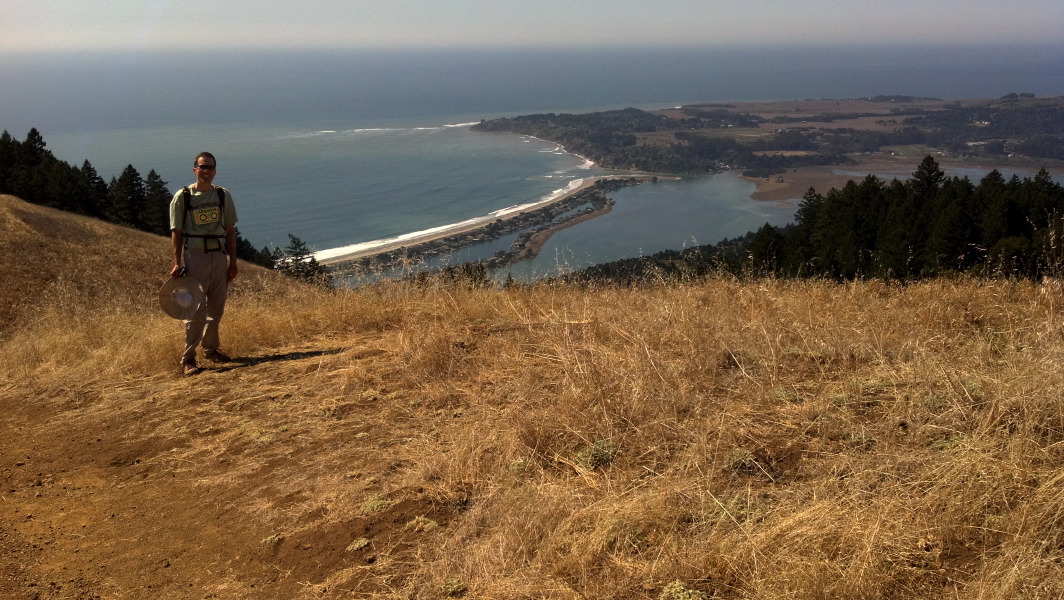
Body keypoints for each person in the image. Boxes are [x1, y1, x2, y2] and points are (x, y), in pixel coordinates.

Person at [169, 151, 239, 375]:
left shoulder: (222, 195)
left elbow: (230, 230)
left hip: (219, 256)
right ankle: (188, 359)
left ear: (215, 170)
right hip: (195, 256)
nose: (206, 171)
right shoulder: (183, 196)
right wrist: (176, 262)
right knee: (195, 309)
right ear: (195, 170)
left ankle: (211, 350)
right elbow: (176, 232)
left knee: (217, 307)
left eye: (210, 167)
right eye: (202, 167)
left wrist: (233, 261)